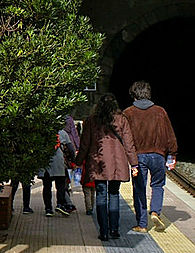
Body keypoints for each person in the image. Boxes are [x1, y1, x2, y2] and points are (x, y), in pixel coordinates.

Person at [76, 94, 138, 241]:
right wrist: (134, 164)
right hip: (117, 163)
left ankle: (103, 232)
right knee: (114, 194)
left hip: (98, 163)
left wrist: (78, 161)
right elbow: (129, 144)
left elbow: (85, 143)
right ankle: (114, 230)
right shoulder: (122, 119)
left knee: (101, 195)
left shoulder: (91, 120)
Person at [123, 81, 178, 232]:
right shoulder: (160, 111)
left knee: (139, 188)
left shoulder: (128, 113)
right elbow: (169, 134)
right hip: (158, 155)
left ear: (133, 94)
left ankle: (142, 224)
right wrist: (172, 153)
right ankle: (155, 212)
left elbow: (125, 137)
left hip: (138, 157)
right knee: (158, 185)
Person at [39, 129, 73, 217]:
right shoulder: (62, 132)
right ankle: (60, 204)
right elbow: (71, 148)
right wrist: (73, 160)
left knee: (47, 186)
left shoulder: (41, 131)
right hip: (58, 162)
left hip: (45, 163)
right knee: (60, 185)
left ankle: (48, 209)